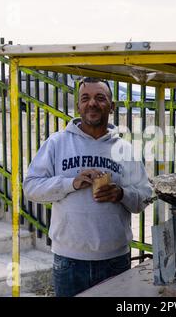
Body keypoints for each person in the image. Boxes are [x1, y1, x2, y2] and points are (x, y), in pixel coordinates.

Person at [23, 77, 153, 297]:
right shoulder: (57, 143)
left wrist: (121, 193)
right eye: (86, 98)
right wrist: (70, 183)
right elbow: (31, 187)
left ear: (111, 107)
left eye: (100, 98)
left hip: (115, 260)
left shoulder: (125, 149)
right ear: (78, 106)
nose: (92, 103)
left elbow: (145, 196)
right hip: (69, 262)